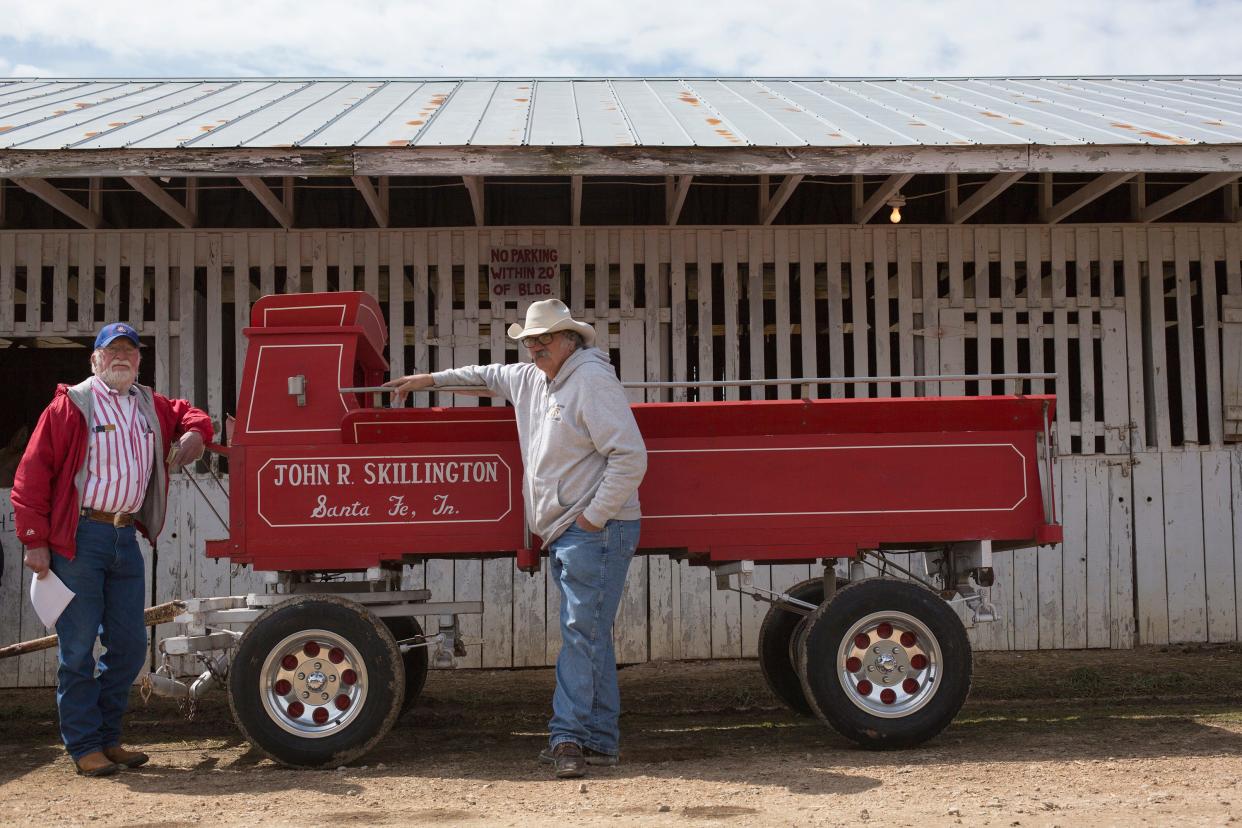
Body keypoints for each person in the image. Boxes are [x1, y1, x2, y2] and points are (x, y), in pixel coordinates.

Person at [386, 298, 647, 779]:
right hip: (572, 530)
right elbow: (483, 376)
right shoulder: (531, 379)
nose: (534, 347)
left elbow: (630, 457)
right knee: (589, 637)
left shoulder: (591, 381)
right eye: (528, 340)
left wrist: (590, 519)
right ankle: (602, 743)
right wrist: (427, 381)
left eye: (543, 339)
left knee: (578, 634)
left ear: (570, 339)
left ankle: (567, 739)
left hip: (594, 531)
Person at [12, 322, 212, 777]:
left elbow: (189, 414)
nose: (120, 356)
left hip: (125, 536)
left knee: (128, 645)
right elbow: (31, 476)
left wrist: (196, 433)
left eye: (129, 350)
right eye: (111, 350)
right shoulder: (72, 404)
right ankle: (85, 746)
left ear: (139, 360)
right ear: (95, 359)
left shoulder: (147, 402)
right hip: (79, 537)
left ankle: (107, 738)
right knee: (78, 647)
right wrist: (34, 541)